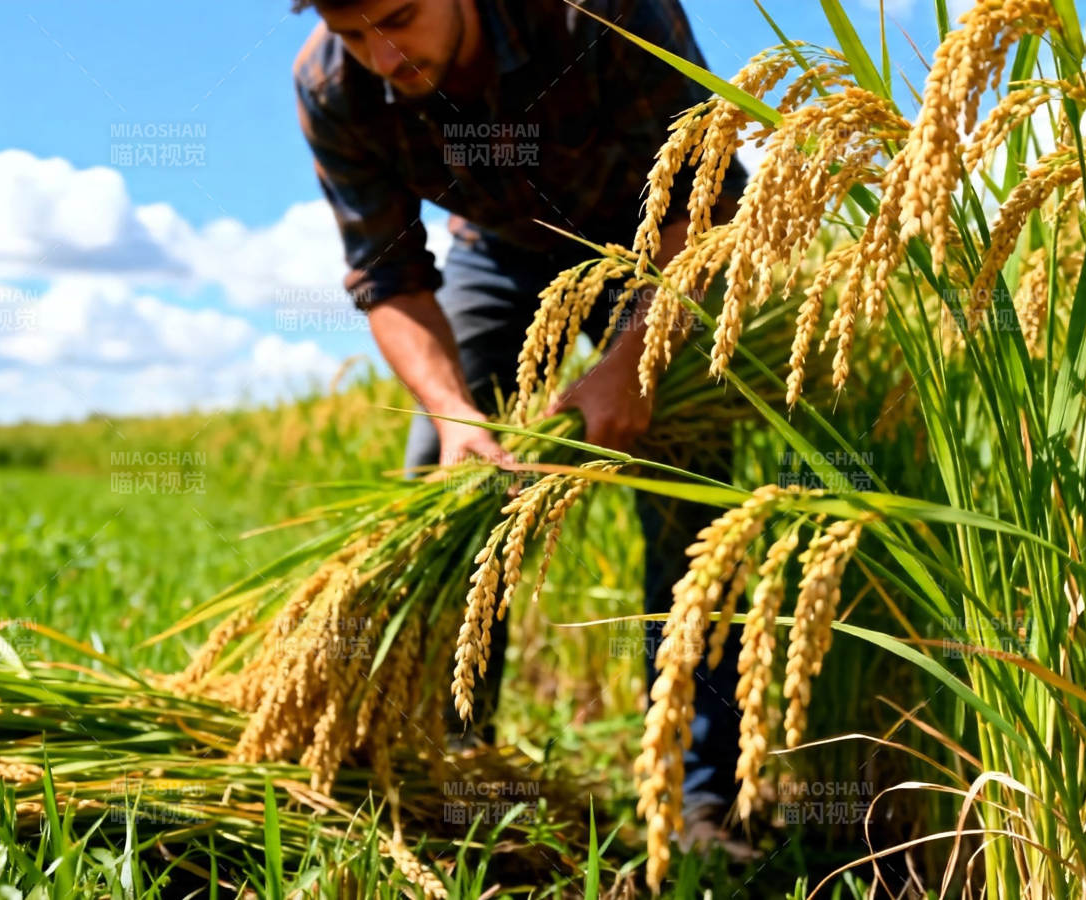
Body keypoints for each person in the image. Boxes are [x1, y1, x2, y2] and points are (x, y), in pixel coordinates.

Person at [292, 0, 751, 838]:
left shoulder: (596, 9)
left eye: (400, 16)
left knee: (691, 489)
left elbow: (708, 192)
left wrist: (630, 364)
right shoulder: (330, 87)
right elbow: (386, 277)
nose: (384, 56)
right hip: (498, 247)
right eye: (355, 35)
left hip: (657, 239)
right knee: (442, 468)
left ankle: (700, 802)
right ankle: (453, 770)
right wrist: (456, 413)